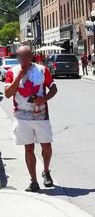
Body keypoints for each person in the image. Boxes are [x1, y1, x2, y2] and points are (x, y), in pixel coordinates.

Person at [4, 46, 58, 192]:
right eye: (20, 56)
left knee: (46, 146)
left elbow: (53, 88)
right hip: (22, 116)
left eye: (26, 56)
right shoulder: (12, 72)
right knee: (29, 149)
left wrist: (44, 99)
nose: (23, 59)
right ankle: (33, 181)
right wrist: (19, 77)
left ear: (31, 56)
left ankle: (46, 171)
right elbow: (8, 94)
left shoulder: (42, 70)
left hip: (41, 115)